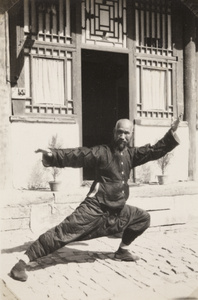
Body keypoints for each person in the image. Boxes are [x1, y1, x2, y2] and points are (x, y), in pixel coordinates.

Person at [10, 115, 182, 282]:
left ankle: (122, 251)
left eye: (126, 133)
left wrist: (171, 132)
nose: (122, 136)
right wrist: (53, 155)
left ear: (132, 135)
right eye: (119, 132)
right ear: (114, 133)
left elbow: (153, 151)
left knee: (142, 218)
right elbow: (79, 155)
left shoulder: (131, 154)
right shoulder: (102, 152)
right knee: (63, 233)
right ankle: (21, 263)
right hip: (95, 208)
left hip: (116, 211)